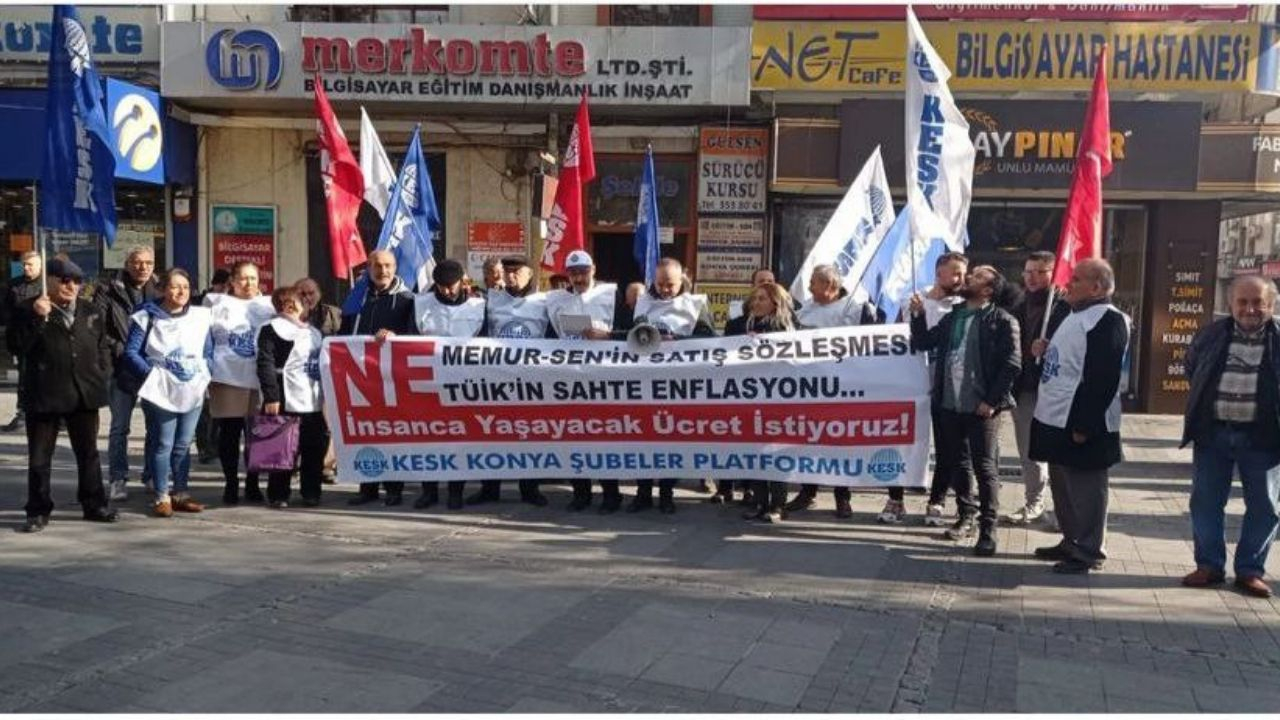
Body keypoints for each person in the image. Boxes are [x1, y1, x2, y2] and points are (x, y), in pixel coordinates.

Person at [909, 265, 1021, 557]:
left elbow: (1011, 365)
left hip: (981, 407)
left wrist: (992, 401)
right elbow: (923, 342)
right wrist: (918, 316)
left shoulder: (1002, 320)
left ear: (988, 290)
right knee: (959, 463)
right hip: (950, 403)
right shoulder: (954, 316)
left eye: (978, 276)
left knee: (984, 467)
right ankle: (965, 515)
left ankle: (988, 530)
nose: (969, 277)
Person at [1178, 274, 1278, 598]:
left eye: (1258, 302)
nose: (1250, 309)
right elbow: (1193, 368)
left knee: (1264, 506)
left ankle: (1250, 571)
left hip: (1264, 438)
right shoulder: (1210, 334)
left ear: (1271, 305)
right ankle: (1209, 566)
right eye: (1242, 302)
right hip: (1214, 434)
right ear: (1231, 304)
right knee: (1205, 502)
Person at [1029, 259, 1130, 574]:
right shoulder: (1074, 315)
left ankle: (1088, 550)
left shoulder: (1108, 320)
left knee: (1086, 489)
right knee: (1063, 486)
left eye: (1076, 279)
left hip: (1081, 420)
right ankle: (1071, 540)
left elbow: (1103, 376)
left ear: (1096, 287)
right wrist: (1046, 349)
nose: (1068, 284)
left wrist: (1085, 424)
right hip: (1056, 416)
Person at [19, 258, 118, 532]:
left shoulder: (90, 310)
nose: (71, 286)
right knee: (40, 457)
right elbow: (17, 346)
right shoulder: (28, 309)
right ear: (48, 280)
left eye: (77, 281)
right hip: (45, 394)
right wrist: (37, 319)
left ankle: (94, 504)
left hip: (83, 392)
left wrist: (103, 371)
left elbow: (102, 346)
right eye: (64, 280)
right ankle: (38, 509)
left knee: (88, 454)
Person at [881, 252, 971, 526]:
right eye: (955, 273)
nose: (960, 279)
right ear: (938, 272)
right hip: (909, 384)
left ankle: (937, 500)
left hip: (945, 386)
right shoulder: (913, 301)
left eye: (963, 274)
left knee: (946, 445)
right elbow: (895, 336)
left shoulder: (962, 306)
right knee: (902, 441)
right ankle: (896, 498)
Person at [784, 264, 880, 517]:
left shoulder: (856, 309)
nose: (809, 288)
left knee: (841, 443)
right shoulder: (806, 310)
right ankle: (808, 492)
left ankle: (842, 496)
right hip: (810, 388)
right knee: (809, 440)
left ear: (829, 285)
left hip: (843, 387)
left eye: (813, 283)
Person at [623, 257, 716, 514]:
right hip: (645, 383)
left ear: (681, 280)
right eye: (660, 284)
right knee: (643, 440)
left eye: (670, 285)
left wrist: (678, 339)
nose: (665, 289)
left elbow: (708, 339)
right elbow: (628, 336)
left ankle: (666, 493)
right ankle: (643, 493)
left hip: (678, 385)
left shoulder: (695, 304)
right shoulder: (642, 302)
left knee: (670, 441)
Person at [124, 268, 214, 518]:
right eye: (174, 286)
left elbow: (208, 351)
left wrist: (207, 372)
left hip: (192, 388)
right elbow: (131, 352)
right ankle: (161, 495)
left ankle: (181, 492)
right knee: (164, 443)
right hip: (161, 390)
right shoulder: (147, 316)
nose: (181, 291)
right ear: (162, 289)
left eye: (185, 286)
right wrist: (151, 375)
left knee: (184, 444)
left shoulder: (201, 316)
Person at [468, 255, 550, 507]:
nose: (511, 276)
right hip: (497, 380)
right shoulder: (490, 300)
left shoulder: (544, 302)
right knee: (493, 434)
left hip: (531, 380)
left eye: (517, 271)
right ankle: (489, 488)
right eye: (507, 271)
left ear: (530, 274)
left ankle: (530, 489)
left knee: (529, 435)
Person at [546, 251, 622, 513]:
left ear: (594, 270)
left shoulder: (612, 295)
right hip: (569, 379)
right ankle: (581, 493)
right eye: (574, 273)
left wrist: (608, 336)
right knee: (574, 438)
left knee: (604, 439)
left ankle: (611, 494)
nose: (579, 278)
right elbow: (547, 338)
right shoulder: (555, 300)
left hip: (604, 378)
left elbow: (628, 333)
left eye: (584, 272)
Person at [340, 250, 417, 506]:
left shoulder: (407, 300)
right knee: (366, 432)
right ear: (369, 268)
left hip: (392, 378)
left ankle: (394, 488)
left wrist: (396, 337)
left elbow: (415, 336)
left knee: (392, 434)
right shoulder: (357, 298)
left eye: (387, 265)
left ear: (395, 267)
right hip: (362, 378)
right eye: (377, 266)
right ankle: (368, 486)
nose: (382, 271)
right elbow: (343, 333)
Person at [411, 259, 485, 510]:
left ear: (462, 281)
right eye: (441, 286)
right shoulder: (420, 304)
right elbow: (409, 341)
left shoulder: (478, 307)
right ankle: (429, 491)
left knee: (458, 440)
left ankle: (456, 491)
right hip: (428, 384)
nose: (446, 291)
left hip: (462, 385)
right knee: (428, 439)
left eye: (451, 285)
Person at [93, 246, 161, 501]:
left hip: (151, 368)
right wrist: (121, 349)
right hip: (120, 367)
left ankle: (151, 474)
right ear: (127, 264)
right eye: (137, 262)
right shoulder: (108, 289)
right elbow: (98, 328)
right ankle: (118, 478)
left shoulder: (160, 290)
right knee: (119, 427)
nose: (143, 267)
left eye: (148, 263)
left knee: (155, 427)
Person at [1006, 251, 1069, 525]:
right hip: (1025, 386)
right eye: (1028, 271)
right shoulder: (1018, 304)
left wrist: (1050, 347)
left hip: (1056, 388)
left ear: (1054, 274)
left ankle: (1064, 511)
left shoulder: (1064, 306)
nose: (1032, 277)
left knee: (1058, 452)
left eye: (1040, 272)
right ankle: (1034, 502)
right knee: (1028, 450)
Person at [205, 261, 275, 505]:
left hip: (259, 379)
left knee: (256, 435)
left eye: (253, 278)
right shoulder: (216, 303)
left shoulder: (268, 305)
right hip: (227, 377)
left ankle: (253, 484)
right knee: (230, 434)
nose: (249, 283)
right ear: (232, 281)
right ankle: (231, 483)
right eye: (243, 278)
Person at [726, 282, 796, 523]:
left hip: (778, 401)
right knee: (754, 451)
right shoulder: (737, 327)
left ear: (775, 304)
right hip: (748, 399)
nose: (755, 303)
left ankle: (778, 505)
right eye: (754, 298)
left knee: (776, 453)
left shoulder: (789, 329)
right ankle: (759, 501)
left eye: (762, 299)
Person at [256, 285, 329, 509]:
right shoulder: (271, 329)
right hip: (285, 395)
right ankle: (279, 494)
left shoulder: (314, 331)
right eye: (298, 299)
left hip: (312, 398)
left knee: (313, 449)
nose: (302, 303)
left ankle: (311, 492)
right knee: (283, 448)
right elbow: (265, 363)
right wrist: (271, 396)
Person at [2, 251, 44, 432]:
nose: (26, 268)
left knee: (47, 378)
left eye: (30, 265)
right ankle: (22, 414)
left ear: (40, 266)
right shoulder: (14, 285)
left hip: (43, 340)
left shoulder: (46, 285)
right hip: (22, 341)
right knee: (24, 379)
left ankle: (54, 417)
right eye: (24, 265)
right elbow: (6, 312)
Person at [194, 268, 232, 464]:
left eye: (228, 286)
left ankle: (215, 445)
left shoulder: (234, 305)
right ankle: (205, 447)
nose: (225, 289)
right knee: (206, 409)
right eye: (222, 285)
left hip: (227, 366)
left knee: (219, 411)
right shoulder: (204, 302)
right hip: (206, 361)